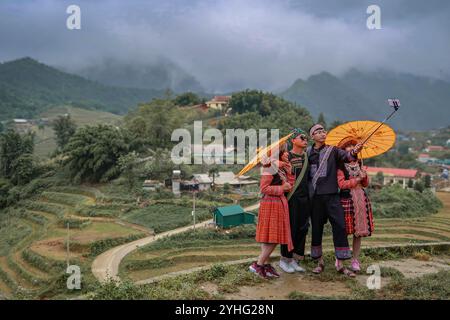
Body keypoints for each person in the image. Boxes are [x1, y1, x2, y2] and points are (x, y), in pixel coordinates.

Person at [307, 123, 363, 277]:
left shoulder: (333, 150)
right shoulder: (308, 152)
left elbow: (347, 156)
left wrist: (355, 151)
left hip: (332, 196)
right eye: (318, 131)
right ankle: (320, 262)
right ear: (312, 136)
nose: (322, 133)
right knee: (317, 229)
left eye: (324, 131)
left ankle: (341, 264)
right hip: (315, 198)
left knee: (340, 227)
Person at [250, 143, 294, 279]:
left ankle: (264, 264)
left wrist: (287, 181)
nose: (288, 154)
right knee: (274, 238)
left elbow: (289, 184)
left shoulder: (279, 168)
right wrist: (282, 189)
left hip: (277, 203)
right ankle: (258, 264)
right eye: (285, 152)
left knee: (270, 237)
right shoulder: (270, 166)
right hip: (271, 203)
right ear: (279, 154)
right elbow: (264, 188)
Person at [337, 139, 374, 272]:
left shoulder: (360, 163)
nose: (352, 148)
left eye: (353, 145)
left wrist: (364, 176)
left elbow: (365, 184)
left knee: (358, 233)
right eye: (348, 146)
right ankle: (339, 259)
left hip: (360, 199)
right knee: (344, 232)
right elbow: (341, 184)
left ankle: (355, 260)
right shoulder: (340, 166)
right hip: (346, 199)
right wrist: (357, 179)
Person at [279, 128, 310, 273]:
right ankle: (284, 259)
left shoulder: (307, 156)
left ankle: (295, 259)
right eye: (301, 137)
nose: (305, 140)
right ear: (293, 140)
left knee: (303, 228)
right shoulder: (286, 156)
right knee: (290, 228)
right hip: (291, 198)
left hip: (306, 198)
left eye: (305, 138)